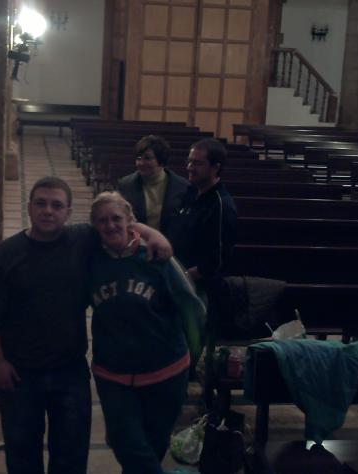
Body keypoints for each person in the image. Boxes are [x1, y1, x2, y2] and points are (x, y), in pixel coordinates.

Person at [0, 176, 174, 474]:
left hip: (70, 371)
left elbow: (116, 220)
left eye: (56, 205)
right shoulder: (3, 257)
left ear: (68, 212)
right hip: (20, 373)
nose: (48, 211)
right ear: (29, 207)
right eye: (41, 203)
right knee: (22, 451)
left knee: (71, 454)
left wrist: (153, 235)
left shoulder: (82, 239)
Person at [89, 191, 206, 474]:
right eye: (102, 221)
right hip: (113, 373)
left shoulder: (157, 256)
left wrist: (195, 358)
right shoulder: (88, 259)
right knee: (125, 440)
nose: (110, 225)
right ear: (94, 226)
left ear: (130, 220)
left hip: (166, 370)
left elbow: (192, 308)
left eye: (116, 218)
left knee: (153, 444)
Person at [173, 138, 237, 285]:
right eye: (189, 161)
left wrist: (182, 278)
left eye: (197, 163)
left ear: (215, 167)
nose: (189, 167)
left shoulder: (221, 205)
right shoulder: (191, 192)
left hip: (199, 286)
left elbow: (217, 262)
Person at [117, 134, 190, 239]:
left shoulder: (182, 187)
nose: (140, 163)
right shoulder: (126, 185)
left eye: (147, 158)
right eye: (138, 158)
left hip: (171, 244)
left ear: (161, 161)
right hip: (137, 244)